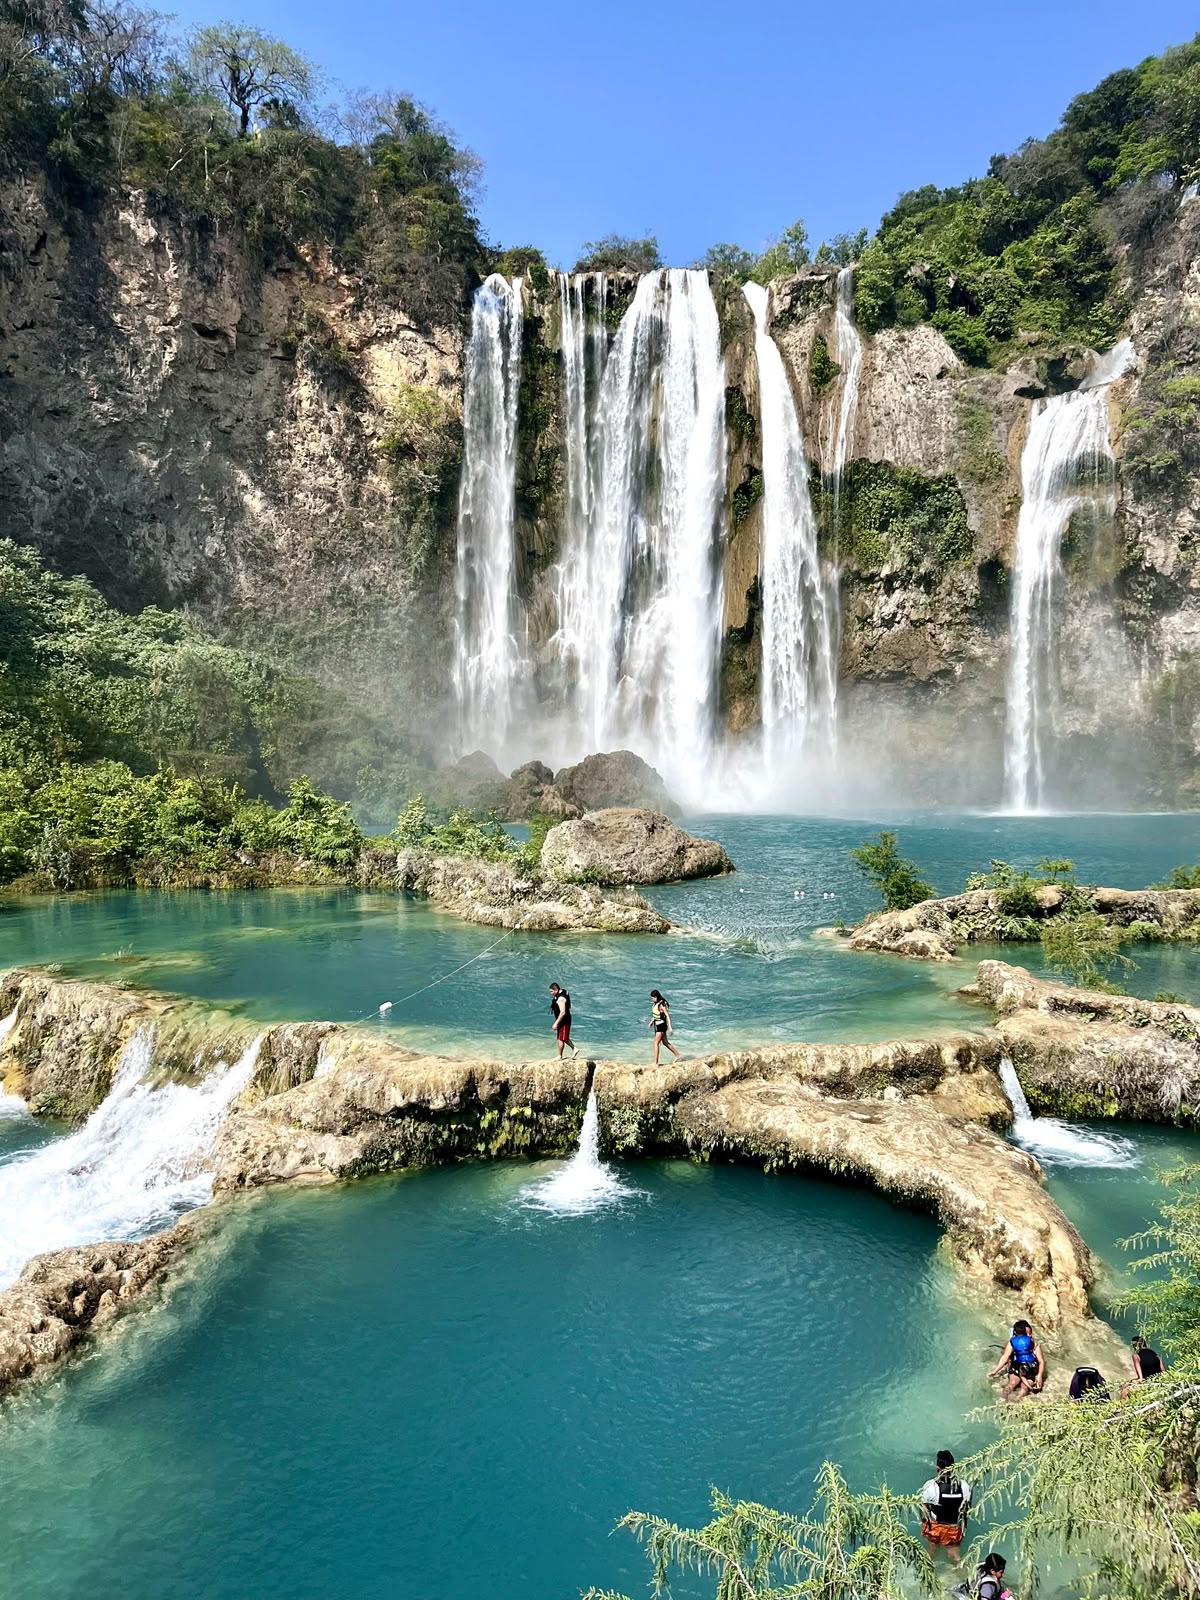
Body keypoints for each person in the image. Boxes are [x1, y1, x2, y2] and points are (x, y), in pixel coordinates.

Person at [919, 1449, 971, 1562]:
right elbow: (967, 1509)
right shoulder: (964, 1486)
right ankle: (963, 1575)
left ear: (938, 1469)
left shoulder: (931, 1487)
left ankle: (927, 1576)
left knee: (931, 1553)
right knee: (955, 1555)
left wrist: (924, 1525)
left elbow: (923, 1510)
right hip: (954, 1528)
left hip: (936, 1528)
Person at [987, 1320, 1044, 1399]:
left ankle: (1016, 1400)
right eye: (1026, 1333)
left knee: (1025, 1387)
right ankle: (1002, 1400)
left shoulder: (1033, 1344)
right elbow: (1005, 1357)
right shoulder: (1017, 1343)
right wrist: (996, 1370)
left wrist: (1039, 1375)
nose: (1028, 1336)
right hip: (1018, 1368)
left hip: (1028, 1369)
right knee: (1011, 1384)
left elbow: (1041, 1361)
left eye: (1030, 1334)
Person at [648, 989, 679, 1064]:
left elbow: (667, 1016)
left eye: (653, 998)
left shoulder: (661, 1005)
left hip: (661, 1026)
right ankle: (678, 1055)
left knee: (655, 1043)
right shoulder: (655, 1004)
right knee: (665, 1042)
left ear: (656, 997)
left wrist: (670, 1027)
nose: (652, 999)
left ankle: (655, 1063)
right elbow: (656, 1014)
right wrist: (652, 1021)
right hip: (657, 1025)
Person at [548, 982, 578, 1061]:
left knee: (562, 1038)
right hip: (562, 1020)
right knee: (561, 1038)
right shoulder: (563, 991)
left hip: (564, 1020)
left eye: (551, 991)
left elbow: (563, 1012)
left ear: (556, 990)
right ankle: (570, 1051)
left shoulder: (561, 999)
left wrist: (556, 1023)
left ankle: (563, 1054)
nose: (550, 993)